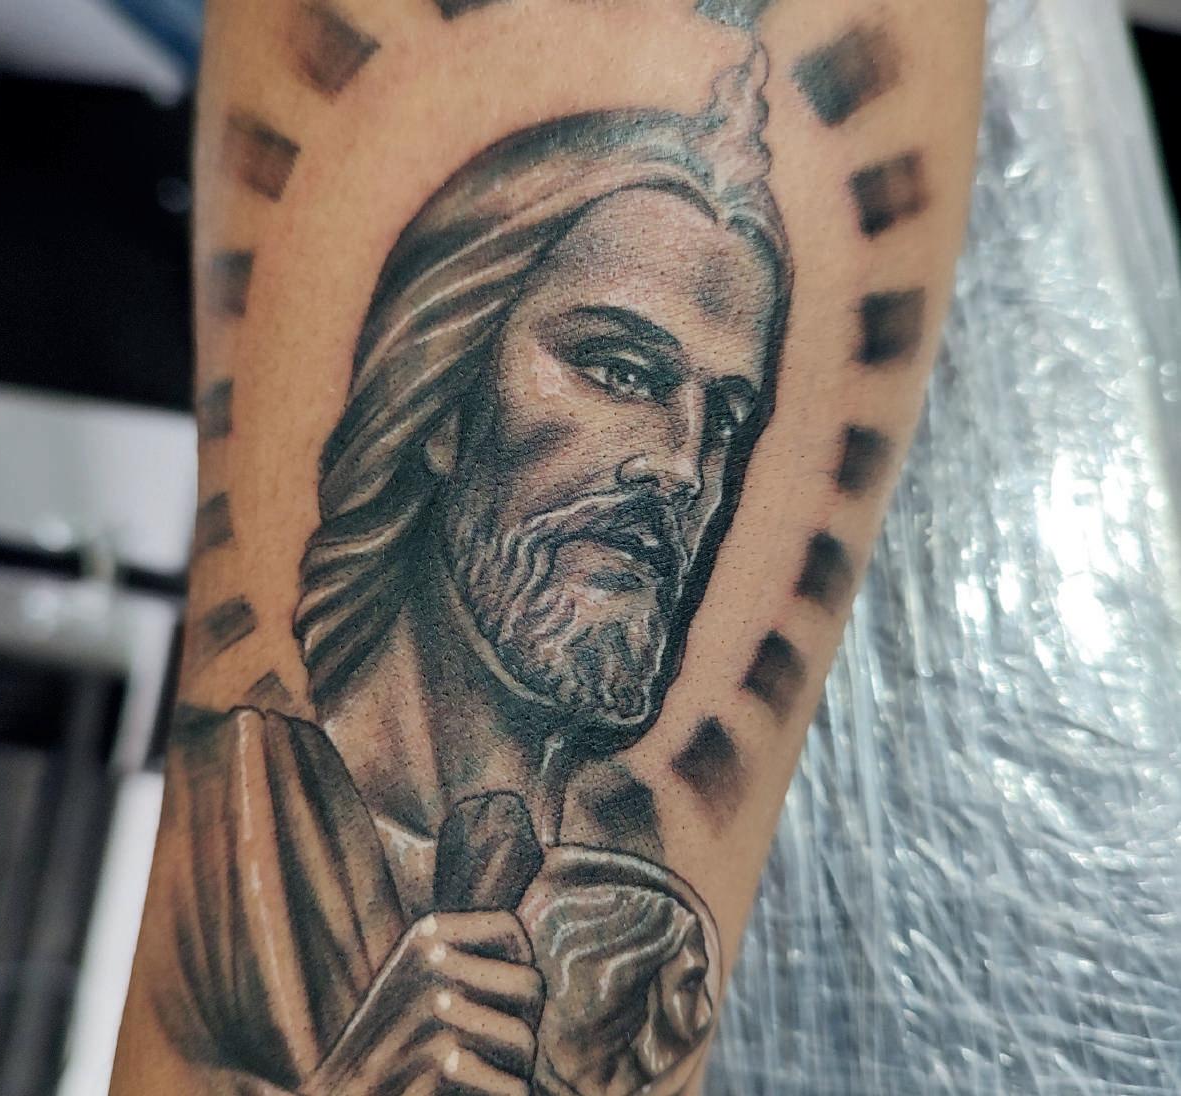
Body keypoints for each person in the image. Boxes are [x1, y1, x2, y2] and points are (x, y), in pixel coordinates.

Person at [115, 3, 985, 1094]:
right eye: (619, 369)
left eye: (726, 420)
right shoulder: (243, 837)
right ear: (438, 396)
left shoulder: (641, 956)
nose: (684, 468)